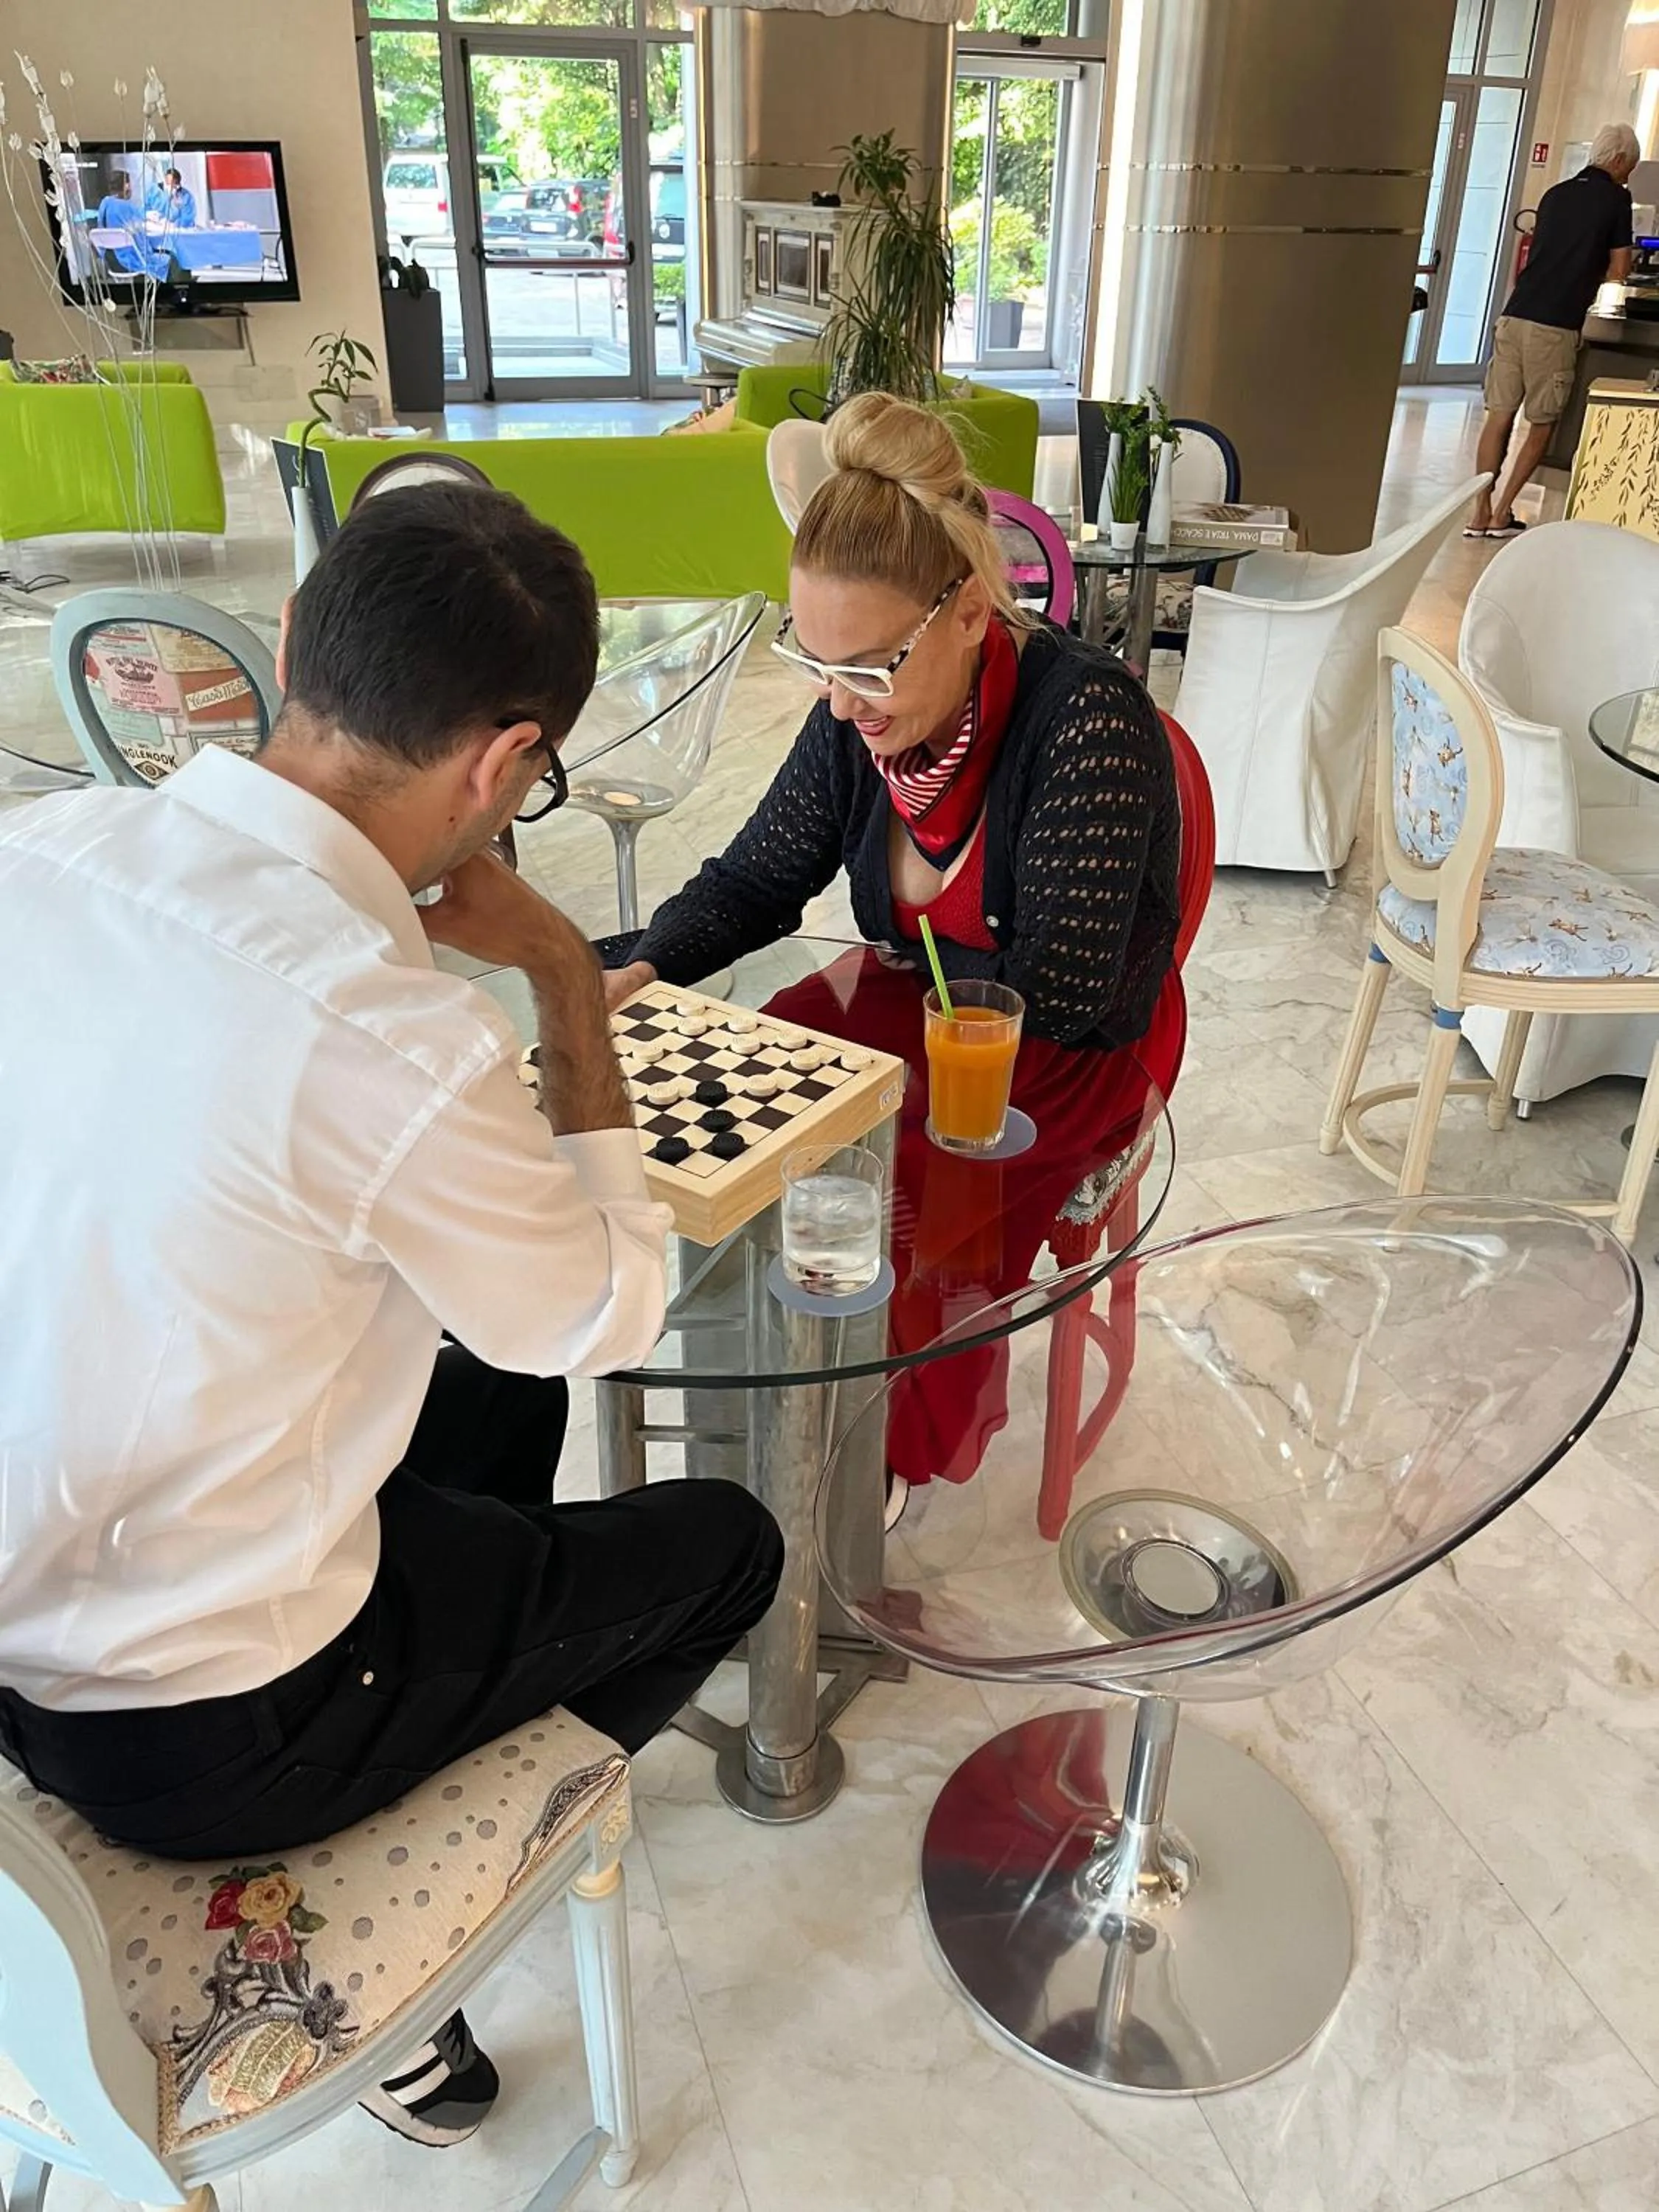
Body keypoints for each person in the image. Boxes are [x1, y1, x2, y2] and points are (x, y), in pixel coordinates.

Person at [0, 483, 782, 2147]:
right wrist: (566, 976)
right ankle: (429, 1934)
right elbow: (606, 1312)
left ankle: (446, 1681)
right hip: (205, 1730)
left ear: (290, 644)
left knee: (493, 1406)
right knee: (727, 1545)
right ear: (505, 770)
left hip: (30, 1609)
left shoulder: (35, 849)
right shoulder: (383, 1033)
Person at [602, 393, 1183, 1513]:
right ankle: (756, 1396)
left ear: (968, 611)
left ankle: (869, 1459)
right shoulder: (856, 717)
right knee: (740, 1129)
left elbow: (1056, 991)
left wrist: (867, 1106)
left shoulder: (1085, 722)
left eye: (868, 667)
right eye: (815, 662)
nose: (838, 703)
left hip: (1051, 1049)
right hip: (907, 1007)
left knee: (897, 1204)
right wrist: (646, 964)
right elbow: (760, 880)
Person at [1469, 121, 1641, 538]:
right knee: (1542, 423)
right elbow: (1619, 270)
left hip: (1514, 315)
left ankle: (1479, 512)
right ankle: (1502, 513)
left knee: (1499, 417)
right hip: (1556, 324)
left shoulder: (1555, 193)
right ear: (1618, 161)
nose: (1628, 175)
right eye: (1629, 168)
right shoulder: (1617, 200)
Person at [146, 164, 198, 230]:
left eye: (174, 185)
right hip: (155, 229)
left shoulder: (185, 196)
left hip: (179, 231)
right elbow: (143, 208)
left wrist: (175, 225)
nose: (170, 187)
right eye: (168, 183)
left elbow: (188, 217)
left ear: (178, 184)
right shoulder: (154, 192)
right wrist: (148, 214)